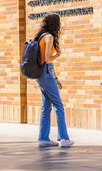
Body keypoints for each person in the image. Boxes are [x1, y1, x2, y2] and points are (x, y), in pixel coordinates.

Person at [34, 13, 74, 148]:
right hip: (46, 74)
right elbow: (47, 60)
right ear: (55, 24)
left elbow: (46, 64)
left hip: (42, 75)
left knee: (46, 107)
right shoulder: (49, 37)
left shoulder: (41, 36)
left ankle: (43, 138)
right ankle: (64, 138)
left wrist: (56, 78)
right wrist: (57, 55)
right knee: (59, 106)